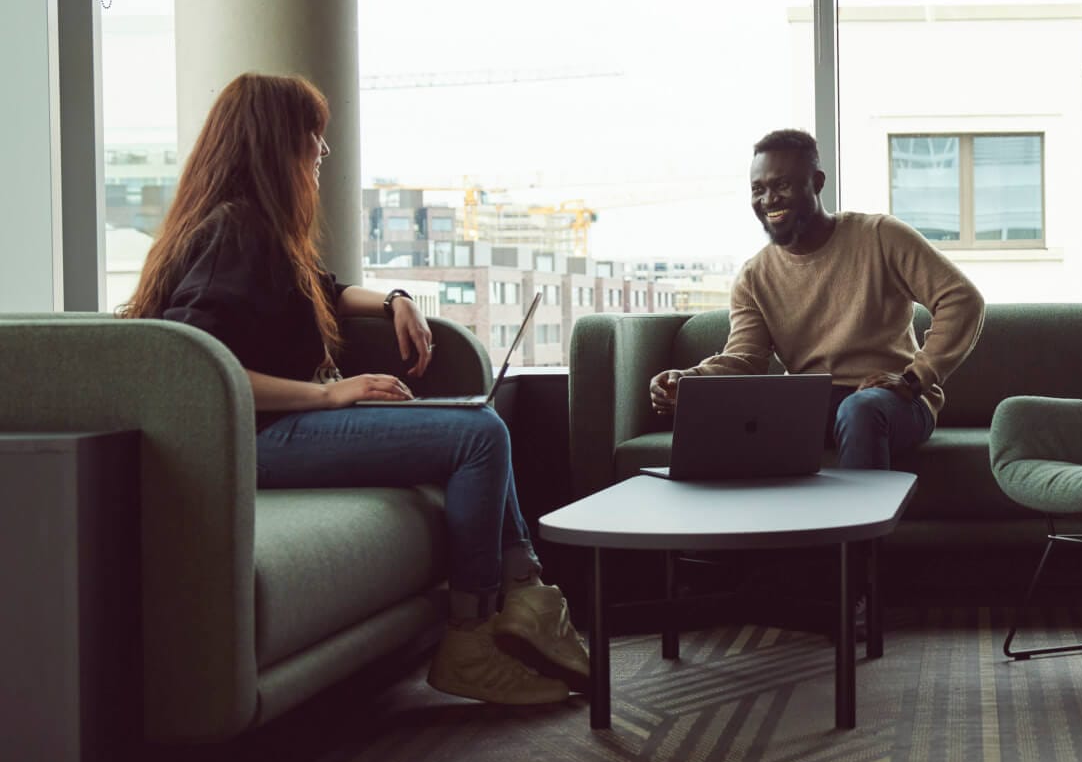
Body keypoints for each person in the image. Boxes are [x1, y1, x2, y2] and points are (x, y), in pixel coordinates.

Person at [124, 72, 588, 706]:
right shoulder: (234, 232)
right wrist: (328, 395)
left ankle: (527, 598)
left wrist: (397, 301)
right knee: (478, 436)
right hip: (255, 440)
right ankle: (476, 635)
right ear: (275, 146)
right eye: (313, 141)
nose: (319, 157)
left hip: (277, 432)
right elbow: (195, 365)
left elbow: (328, 289)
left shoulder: (260, 230)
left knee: (478, 422)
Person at [649, 129, 986, 469]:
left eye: (782, 185)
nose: (769, 200)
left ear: (817, 182)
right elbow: (745, 358)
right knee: (738, 416)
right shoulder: (754, 276)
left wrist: (916, 378)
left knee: (859, 410)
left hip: (893, 402)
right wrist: (690, 378)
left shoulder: (880, 236)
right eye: (758, 189)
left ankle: (861, 523)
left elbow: (962, 300)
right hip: (810, 404)